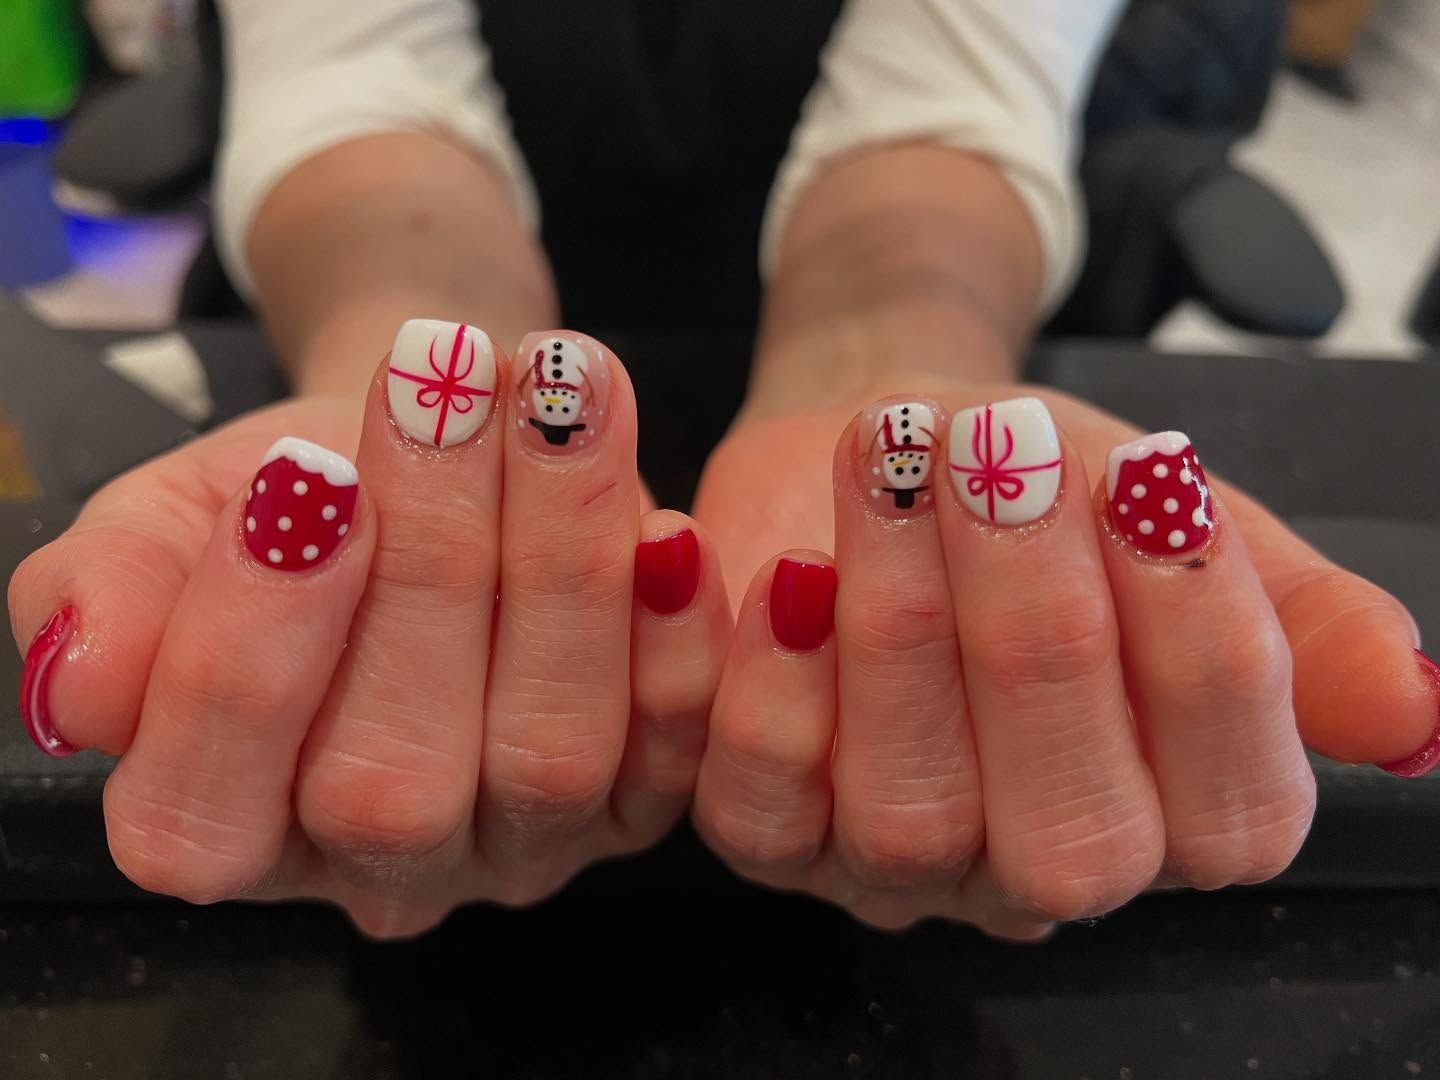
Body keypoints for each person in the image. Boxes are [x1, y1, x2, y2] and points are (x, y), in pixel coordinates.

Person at [9, 0, 1437, 939]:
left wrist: (885, 364)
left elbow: (957, 92)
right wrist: (410, 361)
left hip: (958, 278)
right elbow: (353, 77)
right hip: (421, 273)